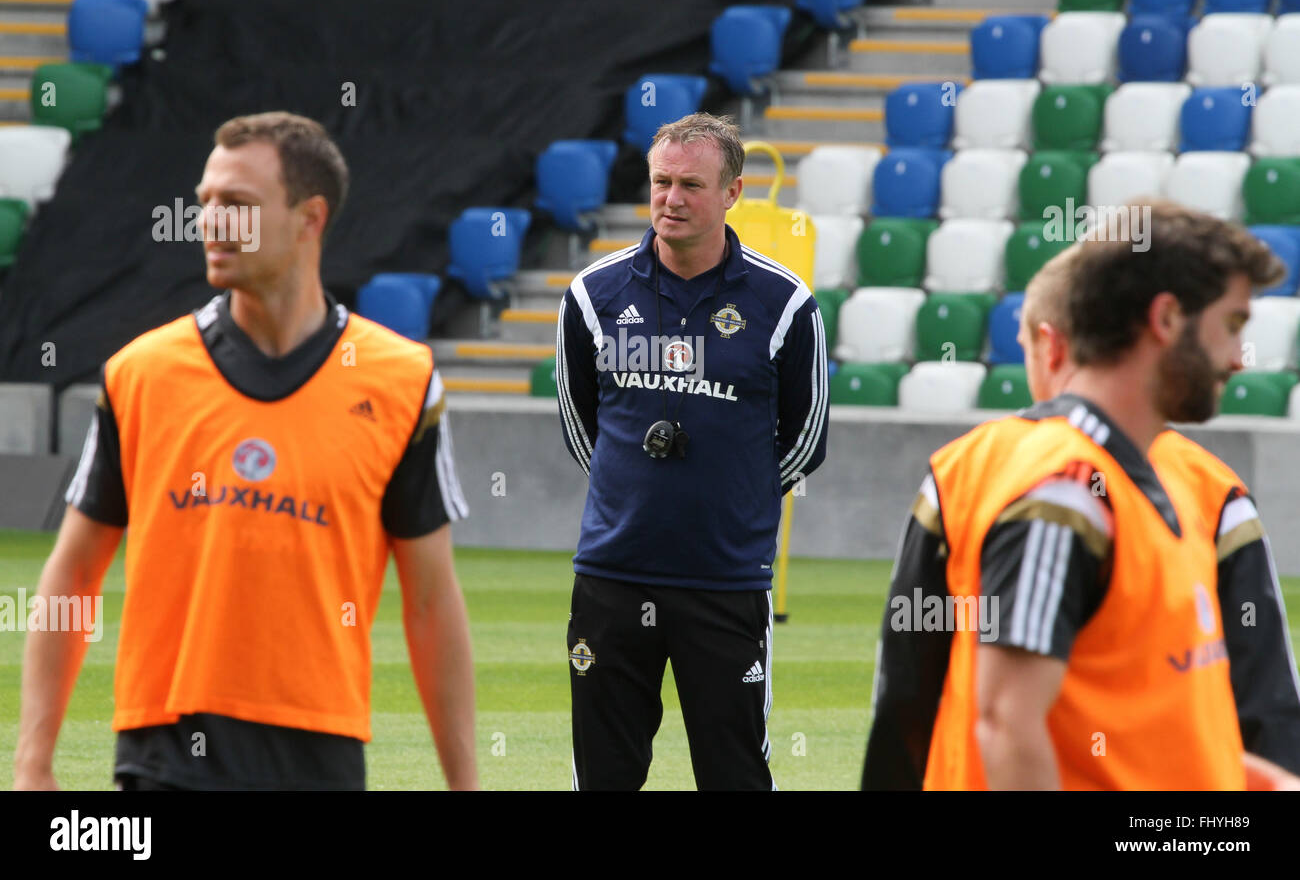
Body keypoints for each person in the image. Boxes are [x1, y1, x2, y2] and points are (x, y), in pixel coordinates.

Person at [13, 111, 478, 791]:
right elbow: (73, 575)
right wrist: (32, 764)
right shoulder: (141, 375)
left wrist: (465, 786)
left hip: (321, 754)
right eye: (204, 203)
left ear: (309, 217)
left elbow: (432, 601)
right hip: (164, 752)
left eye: (237, 204)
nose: (210, 222)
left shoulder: (402, 382)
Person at [863, 199, 1298, 789]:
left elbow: (1142, 735)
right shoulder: (1067, 490)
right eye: (1233, 324)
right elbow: (1006, 725)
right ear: (1167, 319)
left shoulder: (1141, 478)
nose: (1239, 359)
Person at [555, 112, 828, 790]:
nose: (671, 200)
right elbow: (580, 428)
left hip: (725, 582)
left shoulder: (786, 305)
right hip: (613, 578)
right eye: (660, 182)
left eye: (690, 186)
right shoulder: (592, 296)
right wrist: (638, 496)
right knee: (603, 775)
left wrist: (733, 499)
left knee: (734, 773)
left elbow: (806, 438)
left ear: (733, 193)